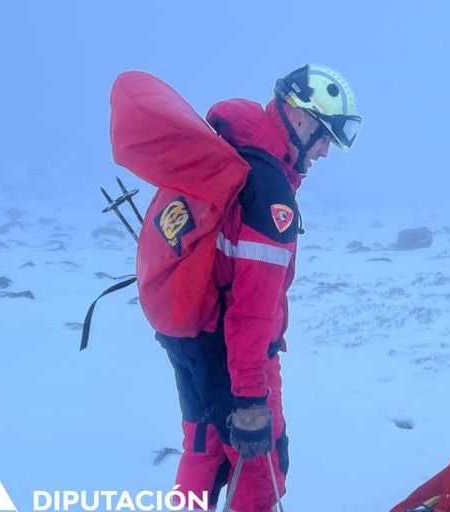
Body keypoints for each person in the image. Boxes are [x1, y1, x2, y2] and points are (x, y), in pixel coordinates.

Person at [155, 64, 362, 511]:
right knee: (262, 470)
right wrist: (250, 400)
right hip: (236, 354)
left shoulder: (234, 148)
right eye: (326, 136)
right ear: (300, 117)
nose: (326, 151)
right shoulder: (269, 196)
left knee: (204, 448)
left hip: (191, 337)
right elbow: (252, 312)